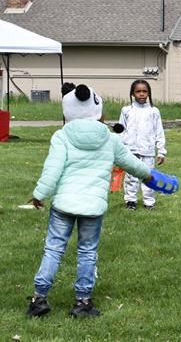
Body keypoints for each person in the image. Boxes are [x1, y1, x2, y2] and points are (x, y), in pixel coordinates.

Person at [26, 83, 153, 318]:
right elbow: (129, 162)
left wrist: (39, 194)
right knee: (87, 252)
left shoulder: (62, 136)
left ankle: (38, 299)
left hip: (63, 205)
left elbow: (52, 169)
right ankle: (83, 303)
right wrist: (148, 175)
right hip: (92, 207)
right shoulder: (109, 138)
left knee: (53, 249)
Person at [119, 79, 167, 210]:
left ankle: (149, 202)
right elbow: (121, 131)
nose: (141, 94)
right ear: (132, 93)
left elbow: (159, 132)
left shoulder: (153, 111)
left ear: (149, 93)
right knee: (131, 177)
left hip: (148, 150)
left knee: (148, 176)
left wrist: (161, 151)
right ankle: (130, 201)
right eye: (138, 91)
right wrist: (119, 149)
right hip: (130, 150)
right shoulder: (126, 110)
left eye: (144, 91)